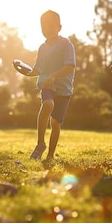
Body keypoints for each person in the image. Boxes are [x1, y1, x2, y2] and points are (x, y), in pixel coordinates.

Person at [24, 10, 76, 160]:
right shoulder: (42, 48)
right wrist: (26, 71)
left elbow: (70, 66)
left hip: (64, 89)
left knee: (55, 122)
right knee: (47, 104)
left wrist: (54, 75)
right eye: (43, 27)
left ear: (59, 27)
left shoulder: (66, 44)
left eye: (50, 26)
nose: (47, 29)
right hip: (47, 84)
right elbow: (37, 69)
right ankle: (40, 143)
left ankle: (50, 156)